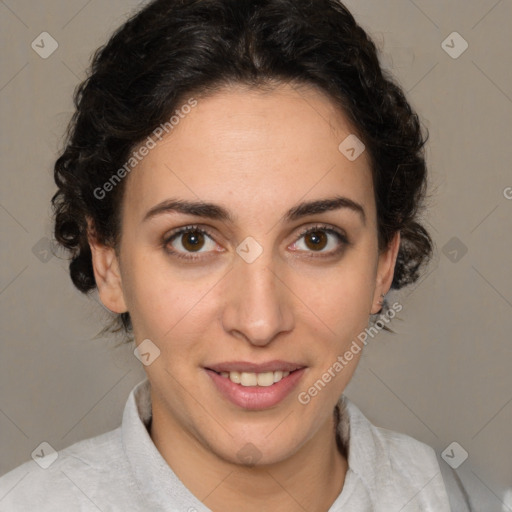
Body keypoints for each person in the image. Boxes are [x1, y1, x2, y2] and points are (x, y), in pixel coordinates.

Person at [0, 0, 472, 510]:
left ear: (383, 263)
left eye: (316, 239)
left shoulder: (456, 498)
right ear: (107, 262)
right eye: (193, 240)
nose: (260, 321)